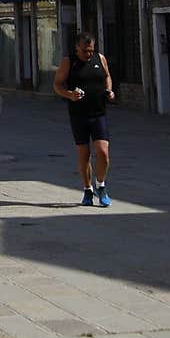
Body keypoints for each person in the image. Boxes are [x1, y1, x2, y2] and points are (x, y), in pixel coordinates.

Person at [53, 31, 114, 207]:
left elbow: (107, 76)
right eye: (84, 51)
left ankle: (101, 185)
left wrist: (109, 90)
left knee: (103, 153)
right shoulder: (68, 62)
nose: (88, 54)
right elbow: (57, 85)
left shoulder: (100, 58)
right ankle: (87, 190)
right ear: (76, 48)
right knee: (84, 155)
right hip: (78, 115)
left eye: (90, 50)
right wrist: (69, 94)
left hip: (98, 113)